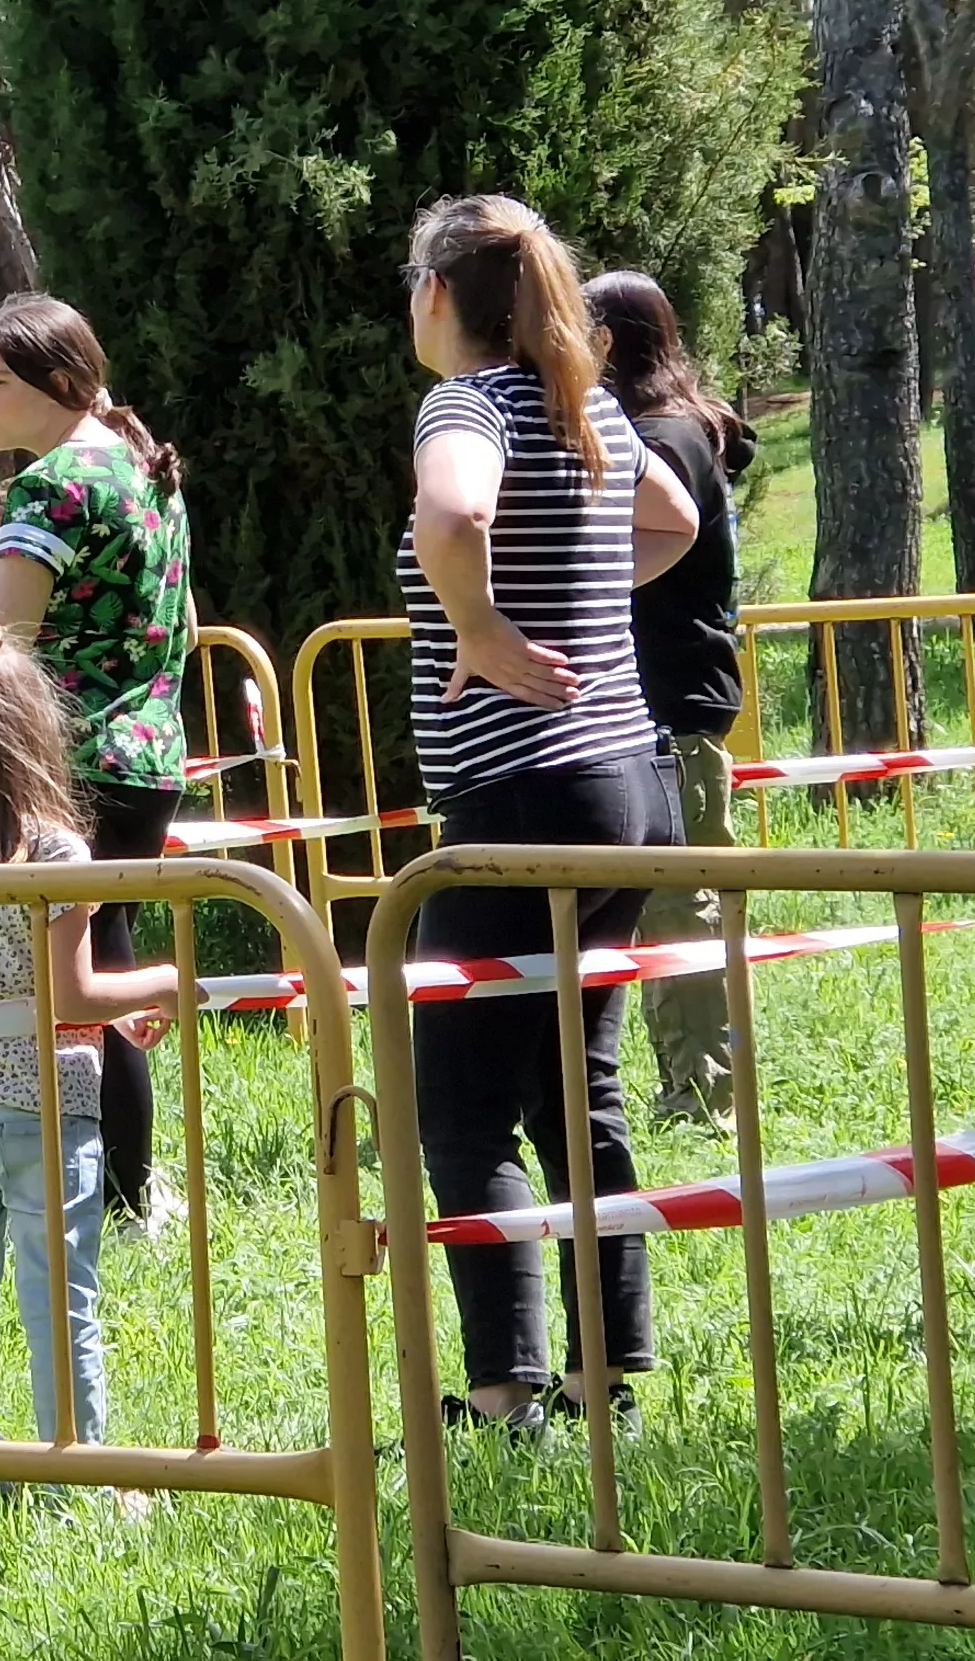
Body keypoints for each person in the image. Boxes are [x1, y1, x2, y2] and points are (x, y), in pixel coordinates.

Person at [397, 195, 702, 1435]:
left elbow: (455, 510)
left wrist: (481, 626)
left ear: (436, 296)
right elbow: (675, 523)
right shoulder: (588, 410)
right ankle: (605, 1375)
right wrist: (575, 602)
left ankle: (503, 1392)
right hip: (627, 786)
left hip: (518, 796)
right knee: (579, 1092)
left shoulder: (465, 405)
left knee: (462, 1108)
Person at [0, 294, 197, 1228]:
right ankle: (125, 1187)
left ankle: (122, 1197)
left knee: (84, 984)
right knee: (94, 970)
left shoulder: (50, 487)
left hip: (69, 763)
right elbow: (180, 627)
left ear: (60, 382)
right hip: (152, 754)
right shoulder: (143, 466)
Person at [0, 618, 181, 1478]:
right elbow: (65, 994)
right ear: (35, 732)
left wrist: (103, 1018)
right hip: (43, 1111)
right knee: (60, 1298)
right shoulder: (55, 850)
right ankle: (82, 1475)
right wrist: (162, 982)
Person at [585, 270, 751, 1127]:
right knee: (664, 894)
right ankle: (688, 1081)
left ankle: (704, 1095)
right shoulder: (685, 429)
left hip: (672, 698)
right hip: (671, 694)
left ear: (607, 342)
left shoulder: (664, 441)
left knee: (679, 896)